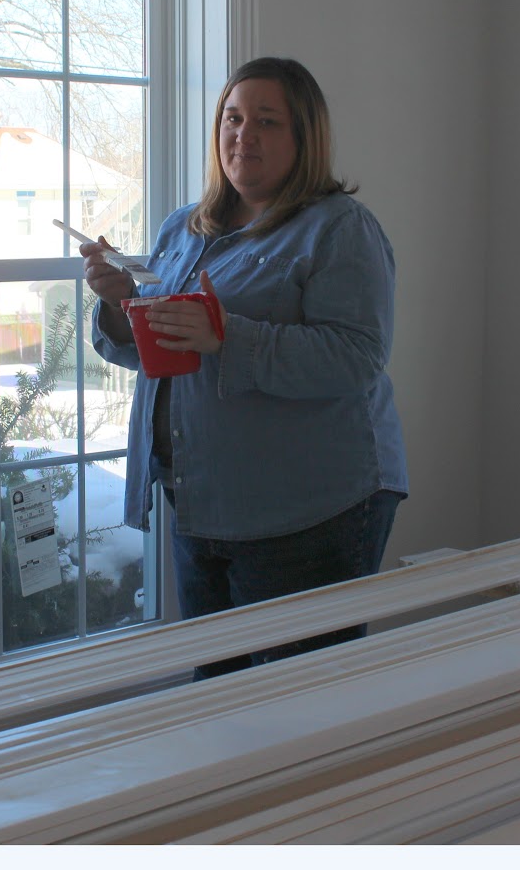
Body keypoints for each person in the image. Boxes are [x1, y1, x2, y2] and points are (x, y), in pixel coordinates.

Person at [81, 56, 408, 679]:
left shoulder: (339, 229)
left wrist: (227, 335)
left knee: (299, 702)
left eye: (266, 121)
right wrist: (125, 302)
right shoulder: (184, 228)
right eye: (232, 118)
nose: (243, 135)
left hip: (309, 510)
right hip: (201, 501)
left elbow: (357, 355)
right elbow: (166, 349)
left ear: (304, 136)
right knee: (217, 693)